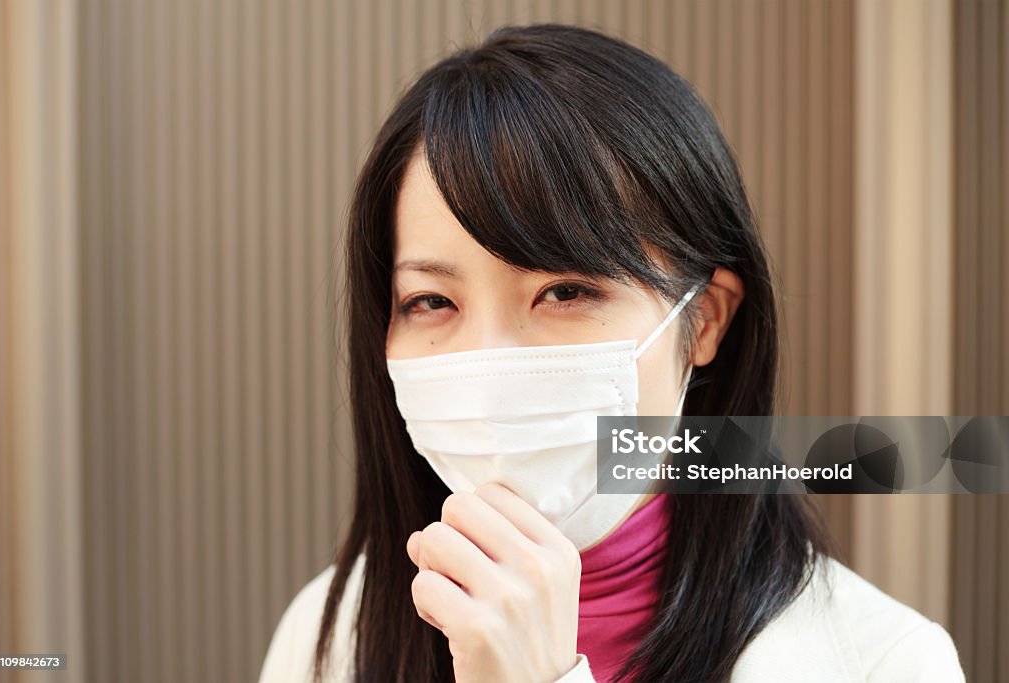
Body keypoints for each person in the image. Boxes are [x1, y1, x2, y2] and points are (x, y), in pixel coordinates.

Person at [258, 23, 965, 683]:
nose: (489, 369)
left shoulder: (885, 660)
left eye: (565, 290)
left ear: (706, 321)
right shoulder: (330, 634)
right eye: (432, 301)